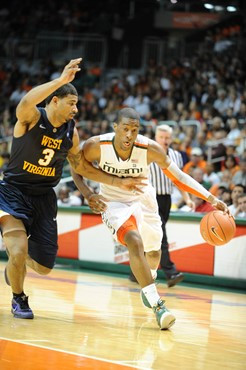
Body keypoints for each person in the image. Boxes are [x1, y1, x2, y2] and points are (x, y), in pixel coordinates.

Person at [0, 59, 145, 320]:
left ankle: (13, 267)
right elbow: (24, 103)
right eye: (71, 103)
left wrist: (110, 184)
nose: (76, 109)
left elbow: (81, 167)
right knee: (19, 249)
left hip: (44, 197)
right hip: (13, 192)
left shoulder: (71, 133)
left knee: (44, 267)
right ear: (55, 100)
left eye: (76, 104)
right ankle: (19, 299)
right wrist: (60, 80)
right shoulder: (33, 118)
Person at [81, 107, 229, 330]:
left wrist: (210, 197)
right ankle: (158, 304)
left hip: (144, 198)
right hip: (113, 203)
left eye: (134, 130)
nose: (129, 135)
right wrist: (88, 193)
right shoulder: (96, 145)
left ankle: (147, 282)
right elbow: (76, 166)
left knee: (154, 252)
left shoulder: (149, 148)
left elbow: (178, 178)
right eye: (125, 129)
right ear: (115, 128)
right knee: (134, 241)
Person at [146, 124, 195, 287]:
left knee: (151, 237)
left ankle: (137, 272)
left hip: (166, 199)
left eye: (167, 138)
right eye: (162, 137)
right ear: (156, 137)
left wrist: (187, 198)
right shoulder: (147, 152)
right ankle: (171, 272)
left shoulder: (176, 155)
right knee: (161, 236)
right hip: (150, 198)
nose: (165, 141)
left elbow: (178, 180)